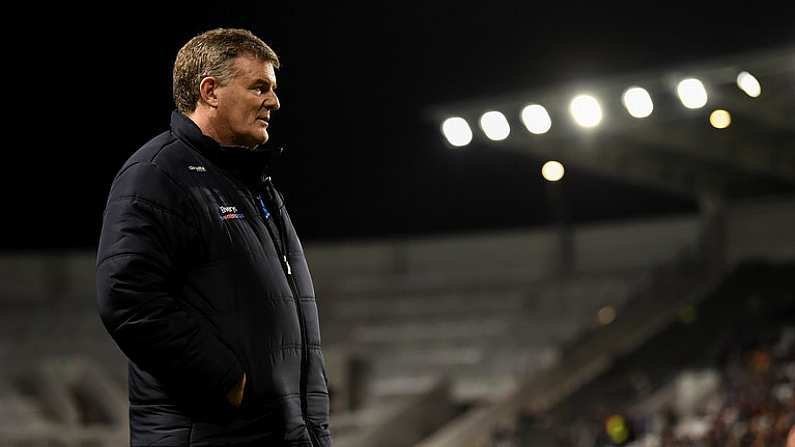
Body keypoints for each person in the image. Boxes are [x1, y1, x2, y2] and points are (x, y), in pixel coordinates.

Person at [96, 28, 331, 446]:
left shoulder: (255, 185)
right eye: (259, 87)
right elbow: (127, 295)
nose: (273, 102)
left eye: (272, 89)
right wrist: (227, 379)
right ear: (210, 91)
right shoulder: (156, 174)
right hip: (213, 434)